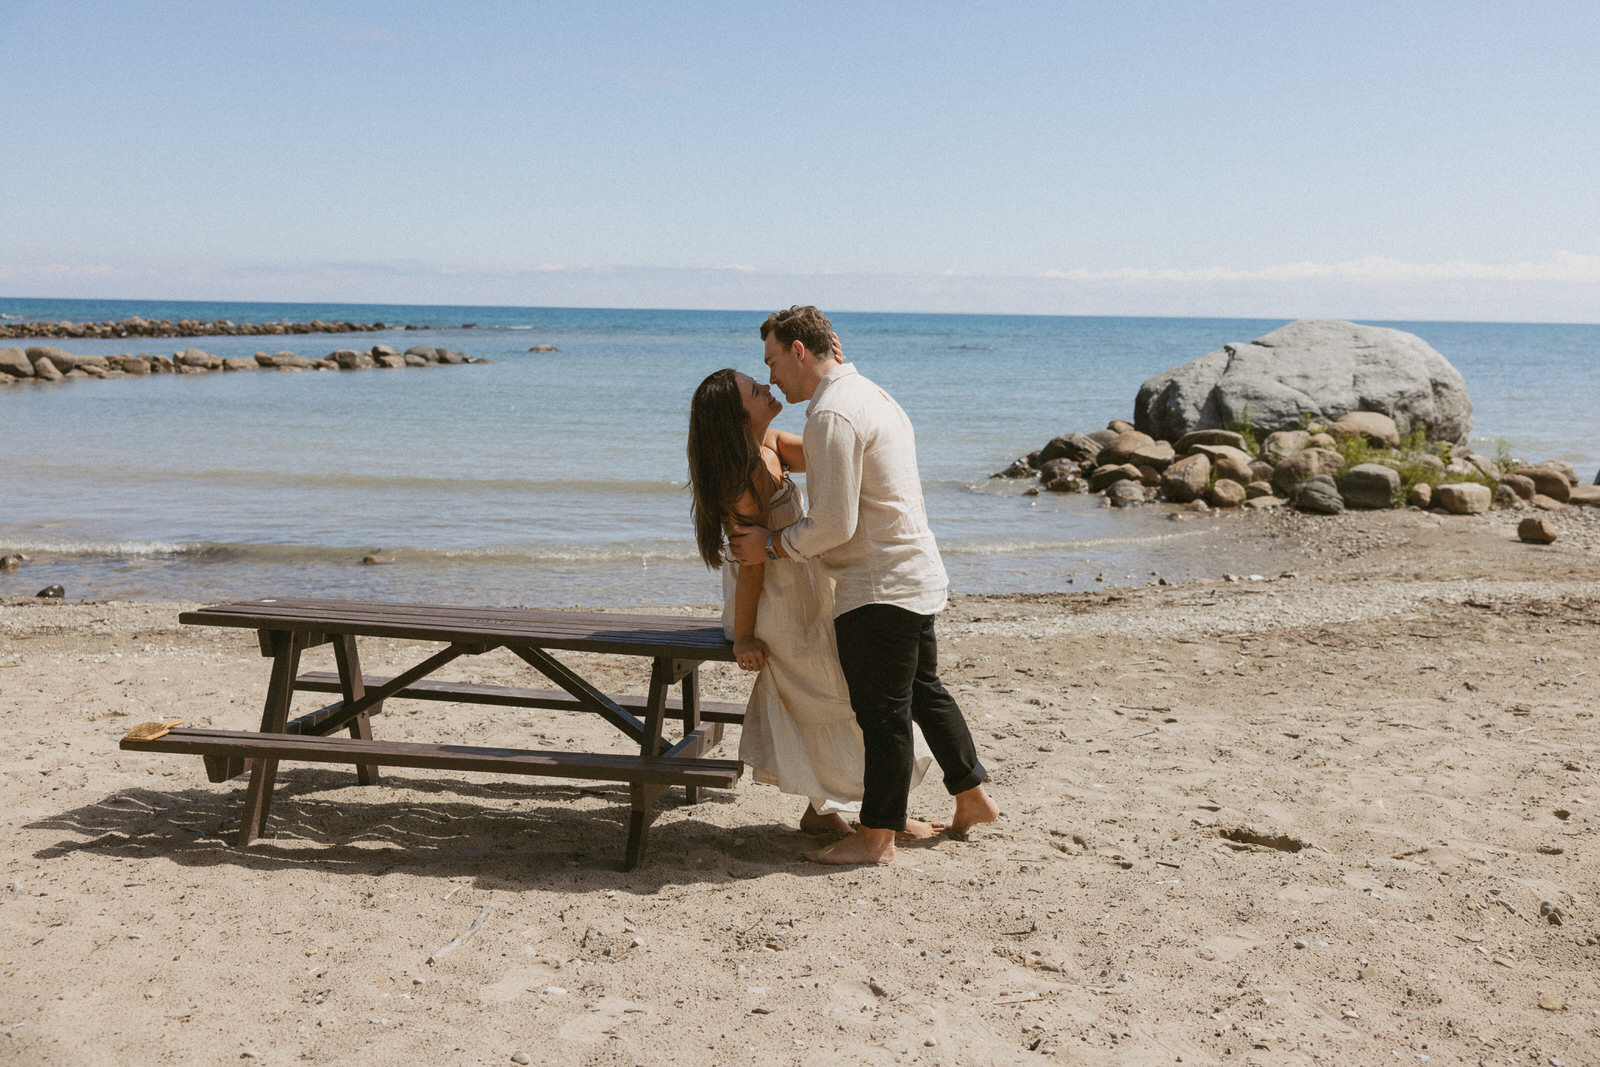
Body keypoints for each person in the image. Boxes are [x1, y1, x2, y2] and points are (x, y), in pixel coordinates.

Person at [730, 305, 1000, 865]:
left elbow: (834, 525)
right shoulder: (869, 395)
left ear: (799, 352)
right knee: (925, 692)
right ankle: (972, 797)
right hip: (911, 572)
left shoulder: (832, 415)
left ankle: (876, 836)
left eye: (773, 361)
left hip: (876, 584)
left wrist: (773, 546)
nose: (772, 375)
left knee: (882, 715)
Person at [687, 367, 934, 836]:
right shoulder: (742, 481)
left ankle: (825, 812)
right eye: (757, 392)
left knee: (831, 692)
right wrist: (743, 637)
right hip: (774, 608)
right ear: (737, 419)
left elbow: (832, 456)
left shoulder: (772, 444)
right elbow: (752, 569)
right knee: (832, 694)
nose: (768, 386)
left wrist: (840, 385)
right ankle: (879, 816)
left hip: (805, 591)